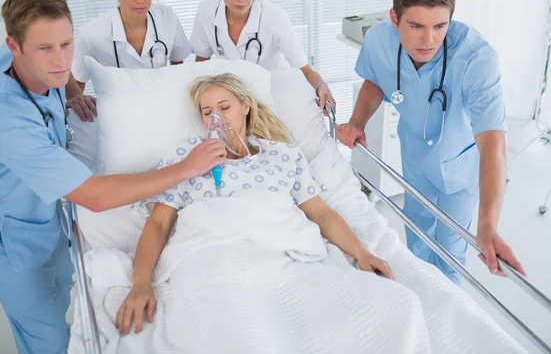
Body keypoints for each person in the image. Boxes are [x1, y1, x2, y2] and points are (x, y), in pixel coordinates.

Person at [0, 0, 225, 354]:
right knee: (53, 344)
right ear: (15, 46)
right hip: (15, 247)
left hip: (49, 227)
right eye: (45, 49)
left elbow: (60, 74)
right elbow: (95, 196)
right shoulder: (8, 119)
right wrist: (186, 168)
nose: (60, 60)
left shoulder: (44, 69)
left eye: (66, 44)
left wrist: (71, 90)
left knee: (67, 310)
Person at [115, 73, 396, 338]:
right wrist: (141, 282)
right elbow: (159, 222)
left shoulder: (283, 154)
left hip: (280, 258)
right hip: (212, 261)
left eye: (225, 107)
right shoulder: (186, 156)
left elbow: (320, 212)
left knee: (384, 310)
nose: (217, 118)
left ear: (246, 106)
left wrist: (361, 253)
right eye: (207, 112)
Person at [337, 0, 526, 285]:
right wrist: (357, 122)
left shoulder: (476, 58)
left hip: (460, 164)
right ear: (394, 18)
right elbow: (375, 79)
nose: (429, 40)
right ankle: (421, 294)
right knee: (417, 237)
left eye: (440, 26)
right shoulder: (379, 40)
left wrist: (488, 225)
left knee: (451, 251)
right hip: (415, 157)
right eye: (416, 26)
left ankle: (446, 307)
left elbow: (494, 142)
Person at [189, 0, 336, 112]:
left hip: (274, 96)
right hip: (234, 98)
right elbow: (201, 63)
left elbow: (305, 70)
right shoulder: (207, 11)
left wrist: (322, 86)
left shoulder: (274, 18)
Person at [65, 0, 192, 124]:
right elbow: (76, 79)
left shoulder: (167, 17)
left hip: (164, 110)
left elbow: (178, 65)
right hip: (120, 118)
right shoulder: (93, 33)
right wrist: (75, 98)